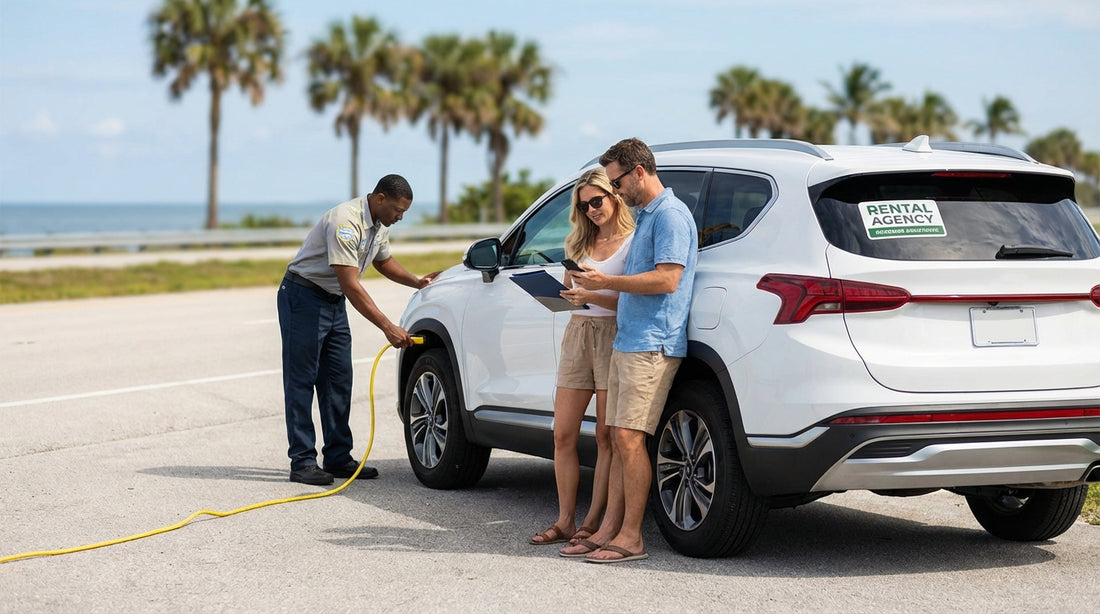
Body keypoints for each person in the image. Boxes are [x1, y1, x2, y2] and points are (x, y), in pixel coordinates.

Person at [559, 138, 697, 563]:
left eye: (617, 182)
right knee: (618, 440)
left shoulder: (669, 216)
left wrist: (605, 283)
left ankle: (632, 538)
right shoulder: (649, 215)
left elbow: (668, 280)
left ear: (639, 172)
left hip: (653, 342)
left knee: (628, 439)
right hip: (628, 338)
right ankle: (608, 531)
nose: (616, 191)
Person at [278, 174, 440, 486]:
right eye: (397, 210)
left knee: (338, 379)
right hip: (303, 296)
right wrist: (388, 327)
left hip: (332, 300)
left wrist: (417, 281)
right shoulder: (345, 222)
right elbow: (350, 284)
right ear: (380, 199)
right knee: (302, 380)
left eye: (404, 212)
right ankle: (302, 462)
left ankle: (338, 457)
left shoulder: (378, 224)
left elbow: (383, 261)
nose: (400, 217)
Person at [529, 168, 636, 546]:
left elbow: (633, 301)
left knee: (606, 436)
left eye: (597, 201)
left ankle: (591, 523)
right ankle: (564, 521)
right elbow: (569, 294)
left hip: (614, 336)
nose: (591, 210)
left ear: (614, 196)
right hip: (578, 334)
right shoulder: (577, 242)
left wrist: (592, 294)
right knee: (563, 434)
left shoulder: (633, 242)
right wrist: (559, 296)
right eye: (583, 205)